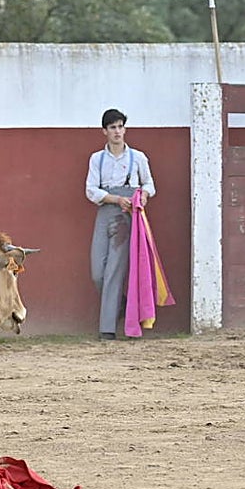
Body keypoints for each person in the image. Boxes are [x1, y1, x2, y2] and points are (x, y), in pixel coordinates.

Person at [85, 108, 156, 340]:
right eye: (113, 127)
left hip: (127, 217)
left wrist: (143, 196)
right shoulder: (97, 158)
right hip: (106, 210)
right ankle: (120, 305)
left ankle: (107, 329)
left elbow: (149, 185)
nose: (117, 131)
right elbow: (90, 190)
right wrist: (115, 199)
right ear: (104, 131)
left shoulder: (138, 157)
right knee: (98, 271)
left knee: (114, 269)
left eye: (120, 127)